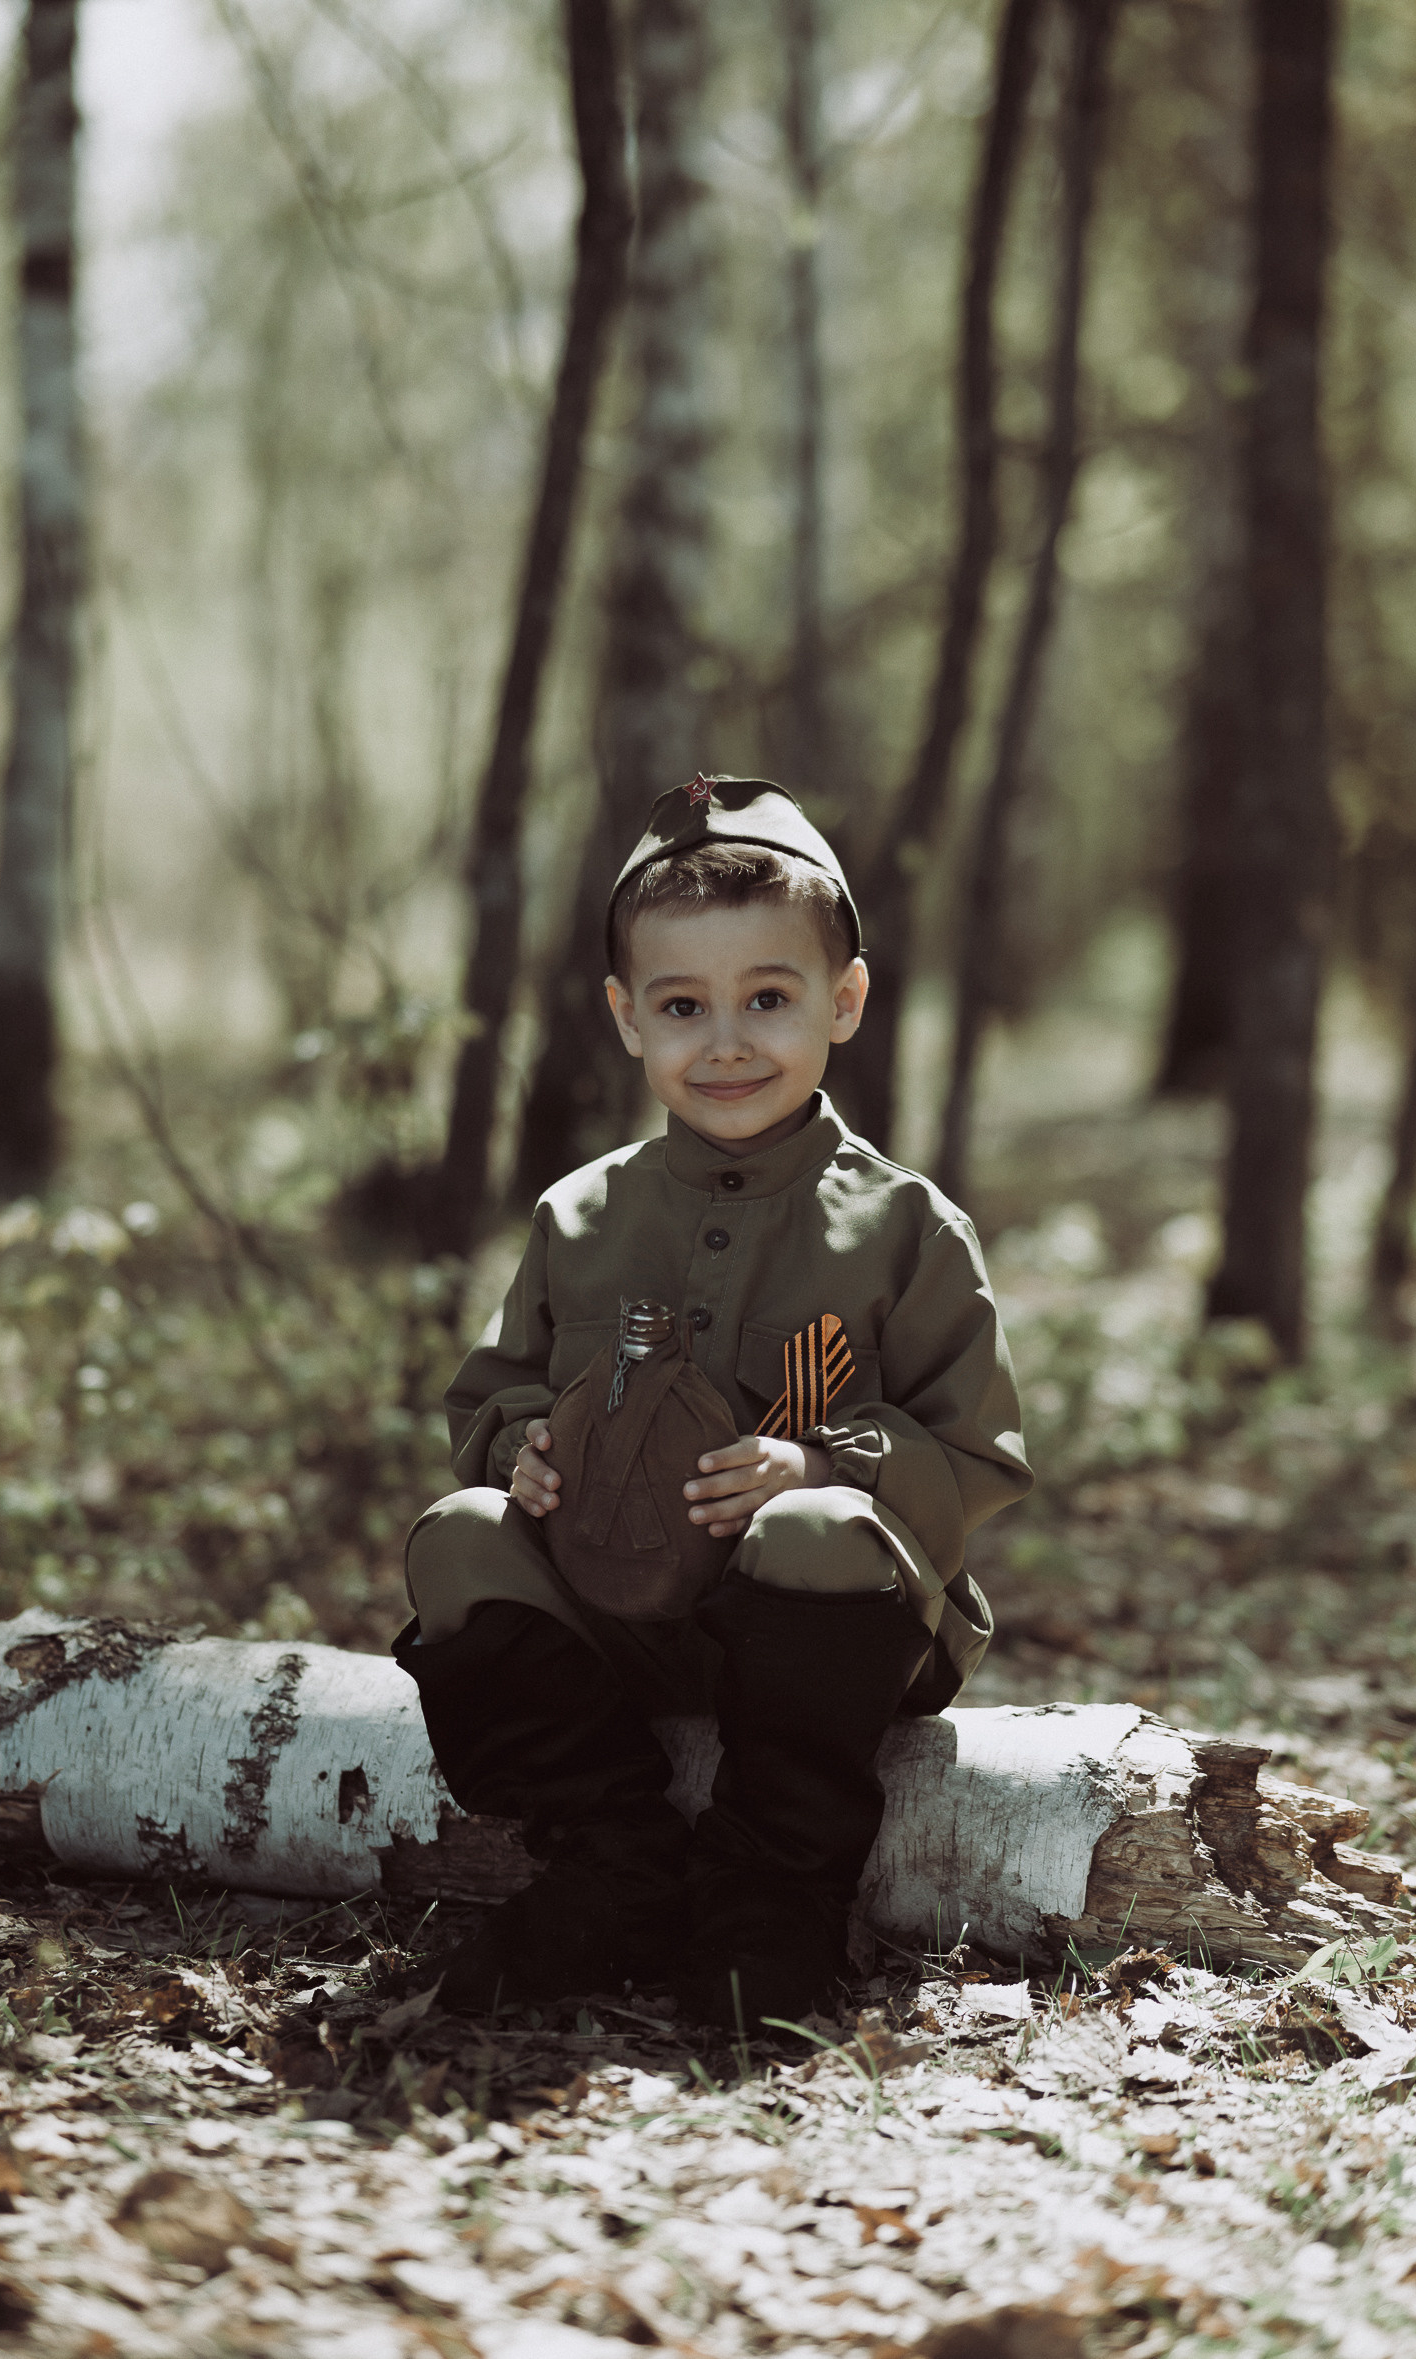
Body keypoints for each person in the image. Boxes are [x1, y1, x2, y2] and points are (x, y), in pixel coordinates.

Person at [393, 776, 1032, 2027]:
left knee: (805, 1529)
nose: (726, 1042)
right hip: (617, 1603)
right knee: (457, 1533)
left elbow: (980, 1454)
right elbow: (493, 1395)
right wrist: (523, 1447)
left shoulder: (907, 1227)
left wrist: (825, 1466)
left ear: (842, 1001)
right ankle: (613, 1862)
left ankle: (771, 1896)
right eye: (683, 1006)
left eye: (770, 999)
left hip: (830, 1617)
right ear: (628, 1019)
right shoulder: (579, 1218)